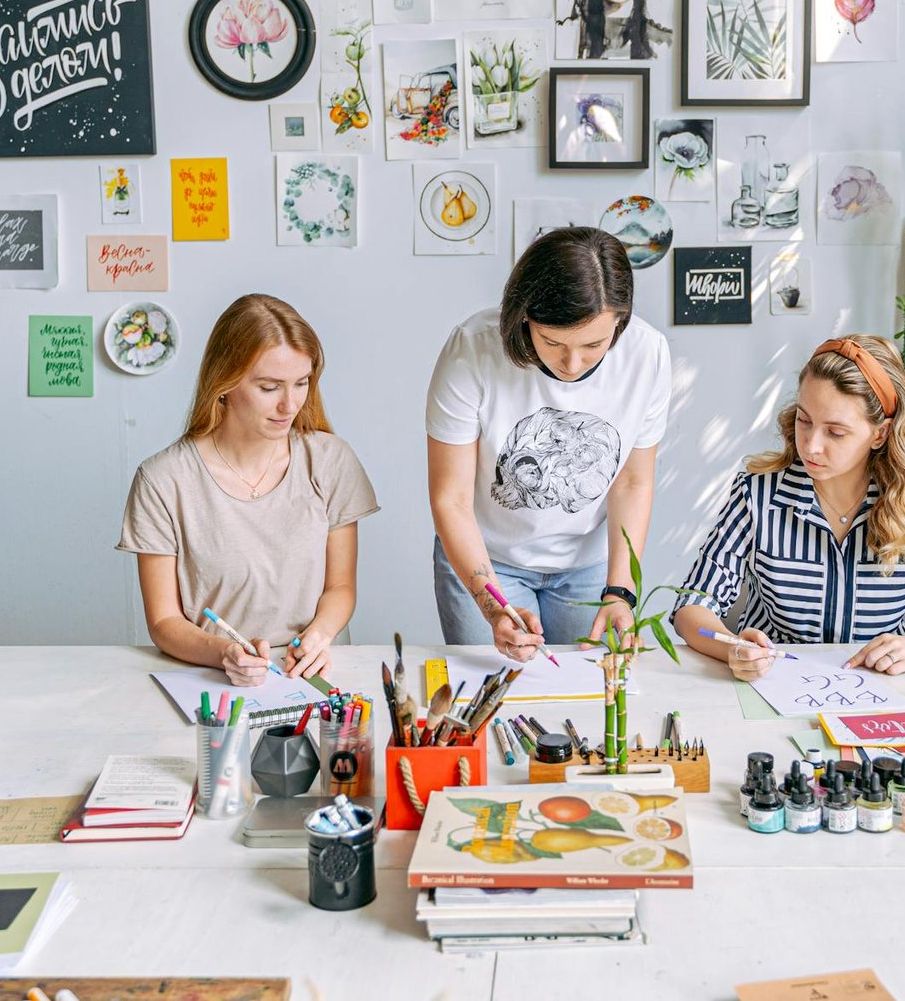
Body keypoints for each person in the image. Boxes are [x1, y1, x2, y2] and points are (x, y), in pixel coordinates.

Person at [673, 335, 905, 680]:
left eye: (835, 432)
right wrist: (732, 648)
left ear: (879, 434)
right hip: (771, 686)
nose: (812, 446)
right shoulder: (756, 495)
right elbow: (691, 606)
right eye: (804, 421)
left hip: (881, 693)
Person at [428, 227, 670, 660]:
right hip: (486, 557)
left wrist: (621, 591)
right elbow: (451, 498)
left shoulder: (647, 354)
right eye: (553, 342)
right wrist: (492, 604)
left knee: (584, 696)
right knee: (490, 691)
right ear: (524, 316)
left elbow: (633, 482)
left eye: (594, 344)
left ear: (621, 320)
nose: (572, 363)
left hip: (588, 563)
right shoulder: (473, 348)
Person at [118, 294, 378, 686]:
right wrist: (223, 653)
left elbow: (340, 586)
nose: (289, 405)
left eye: (302, 383)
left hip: (312, 673)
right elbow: (164, 620)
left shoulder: (330, 460)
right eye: (270, 387)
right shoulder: (163, 480)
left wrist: (319, 636)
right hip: (211, 679)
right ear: (224, 383)